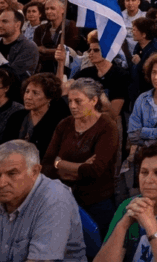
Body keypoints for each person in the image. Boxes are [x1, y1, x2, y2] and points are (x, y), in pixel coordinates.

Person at [43, 78, 120, 235]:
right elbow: (46, 165)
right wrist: (78, 167)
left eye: (78, 101)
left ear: (93, 100)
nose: (72, 106)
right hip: (64, 199)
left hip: (97, 202)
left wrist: (61, 164)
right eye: (70, 101)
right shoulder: (64, 125)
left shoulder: (107, 127)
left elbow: (95, 171)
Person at [0, 139, 87, 262]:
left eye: (12, 174)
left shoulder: (55, 199)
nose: (2, 183)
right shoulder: (7, 194)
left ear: (35, 171)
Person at [0, 73, 69, 155]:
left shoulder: (57, 121)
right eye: (27, 91)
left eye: (35, 93)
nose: (28, 97)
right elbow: (5, 146)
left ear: (49, 97)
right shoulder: (16, 117)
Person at [74, 30, 130, 118]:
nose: (91, 53)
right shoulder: (86, 72)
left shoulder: (120, 75)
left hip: (109, 124)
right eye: (90, 50)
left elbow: (114, 113)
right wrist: (61, 63)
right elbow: (63, 88)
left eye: (96, 50)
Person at [35, 0, 79, 76]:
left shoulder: (71, 26)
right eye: (46, 9)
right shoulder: (40, 29)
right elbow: (36, 50)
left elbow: (68, 51)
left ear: (63, 10)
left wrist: (45, 51)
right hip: (44, 70)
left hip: (65, 71)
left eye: (52, 8)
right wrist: (53, 51)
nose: (48, 11)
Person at [0, 9, 39, 95]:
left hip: (13, 96)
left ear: (17, 25)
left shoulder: (28, 47)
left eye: (4, 21)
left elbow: (14, 77)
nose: (0, 24)